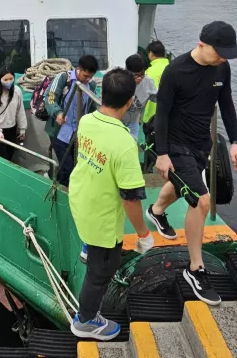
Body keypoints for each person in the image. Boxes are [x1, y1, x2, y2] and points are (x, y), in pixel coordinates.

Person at [146, 21, 237, 306]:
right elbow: (162, 114)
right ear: (202, 44)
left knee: (180, 187)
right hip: (174, 143)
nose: (224, 58)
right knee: (201, 200)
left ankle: (156, 210)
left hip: (201, 142)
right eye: (220, 52)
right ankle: (195, 269)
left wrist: (235, 142)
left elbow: (226, 103)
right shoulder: (175, 71)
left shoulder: (222, 68)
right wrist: (162, 154)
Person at [69, 68, 155, 340]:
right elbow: (130, 199)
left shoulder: (86, 121)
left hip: (81, 200)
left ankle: (86, 247)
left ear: (102, 93)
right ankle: (86, 322)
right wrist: (143, 233)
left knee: (92, 249)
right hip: (102, 220)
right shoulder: (125, 144)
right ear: (131, 101)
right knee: (100, 272)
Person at [44, 55, 100, 186]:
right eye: (86, 76)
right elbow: (50, 98)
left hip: (79, 133)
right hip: (60, 131)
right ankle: (63, 192)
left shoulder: (91, 85)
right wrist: (58, 113)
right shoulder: (63, 78)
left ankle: (56, 180)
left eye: (91, 77)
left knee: (75, 167)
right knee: (68, 169)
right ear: (79, 69)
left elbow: (91, 107)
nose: (88, 79)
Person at [0, 67, 28, 161]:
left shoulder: (17, 91)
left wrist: (22, 129)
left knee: (9, 157)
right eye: (5, 79)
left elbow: (20, 111)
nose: (9, 81)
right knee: (3, 159)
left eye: (11, 79)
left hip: (12, 130)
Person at [121, 54, 157, 143]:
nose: (139, 78)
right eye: (136, 75)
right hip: (116, 121)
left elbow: (158, 98)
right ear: (127, 71)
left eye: (142, 74)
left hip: (133, 123)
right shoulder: (118, 81)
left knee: (132, 147)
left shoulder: (148, 82)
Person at [142, 41, 169, 125]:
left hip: (151, 115)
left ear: (151, 53)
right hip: (168, 114)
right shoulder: (172, 68)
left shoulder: (149, 72)